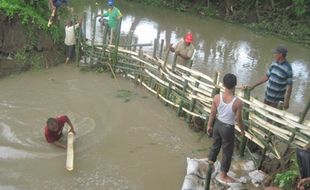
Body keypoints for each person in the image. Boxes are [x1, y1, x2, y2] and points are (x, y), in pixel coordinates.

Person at [207, 73, 245, 184]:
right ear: (235, 86)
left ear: (223, 84)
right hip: (228, 128)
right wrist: (242, 131)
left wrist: (209, 126)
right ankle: (223, 175)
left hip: (217, 125)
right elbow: (238, 120)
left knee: (215, 145)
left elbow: (212, 114)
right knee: (227, 151)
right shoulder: (237, 102)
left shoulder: (217, 97)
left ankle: (210, 164)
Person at [247, 45, 293, 109]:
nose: (274, 55)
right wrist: (253, 85)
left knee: (270, 116)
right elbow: (266, 76)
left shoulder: (288, 68)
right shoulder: (274, 63)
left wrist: (286, 101)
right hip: (268, 96)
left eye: (275, 53)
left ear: (281, 54)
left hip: (277, 99)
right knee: (264, 111)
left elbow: (289, 86)